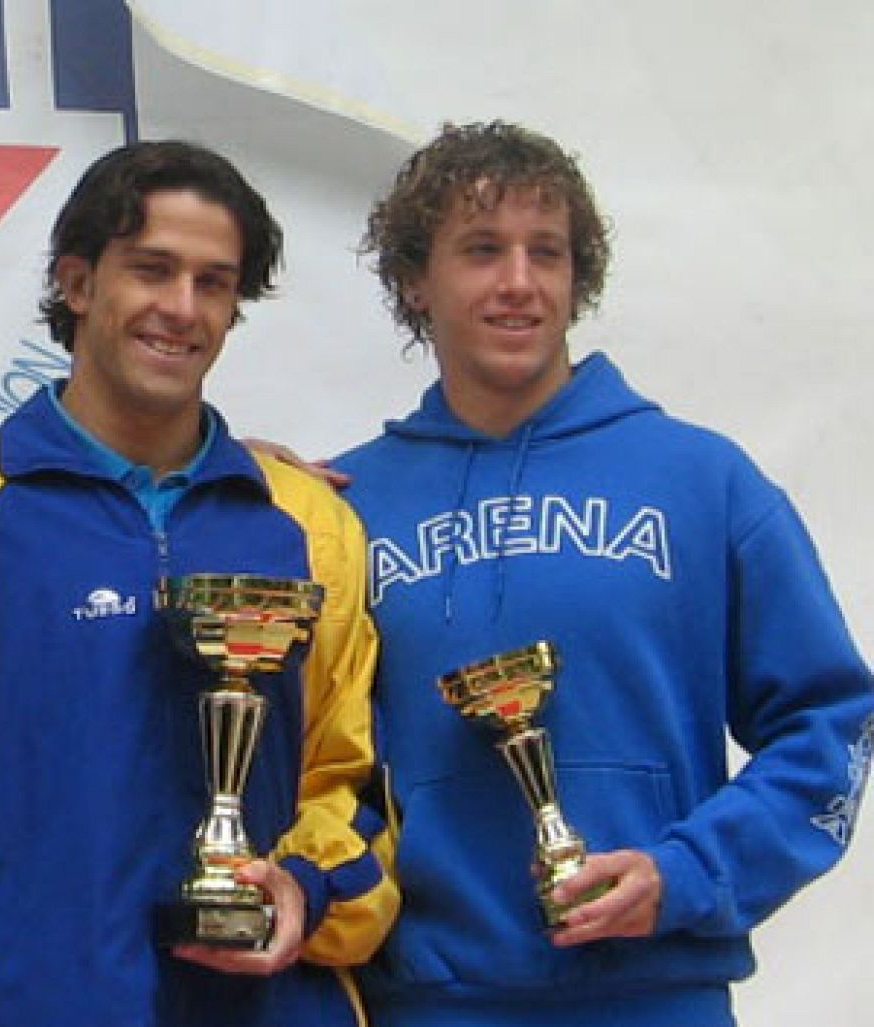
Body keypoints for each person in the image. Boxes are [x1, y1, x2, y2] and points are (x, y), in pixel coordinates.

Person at [331, 120, 874, 1026]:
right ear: (415, 282)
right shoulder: (347, 508)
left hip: (656, 992)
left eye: (546, 252)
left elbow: (831, 721)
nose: (518, 282)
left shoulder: (704, 480)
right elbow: (309, 767)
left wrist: (692, 870)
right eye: (481, 250)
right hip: (429, 999)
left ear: (577, 278)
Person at [0, 139, 399, 1027]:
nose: (181, 308)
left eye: (214, 281)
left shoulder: (306, 525)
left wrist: (305, 889)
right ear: (77, 283)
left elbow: (351, 780)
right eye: (151, 270)